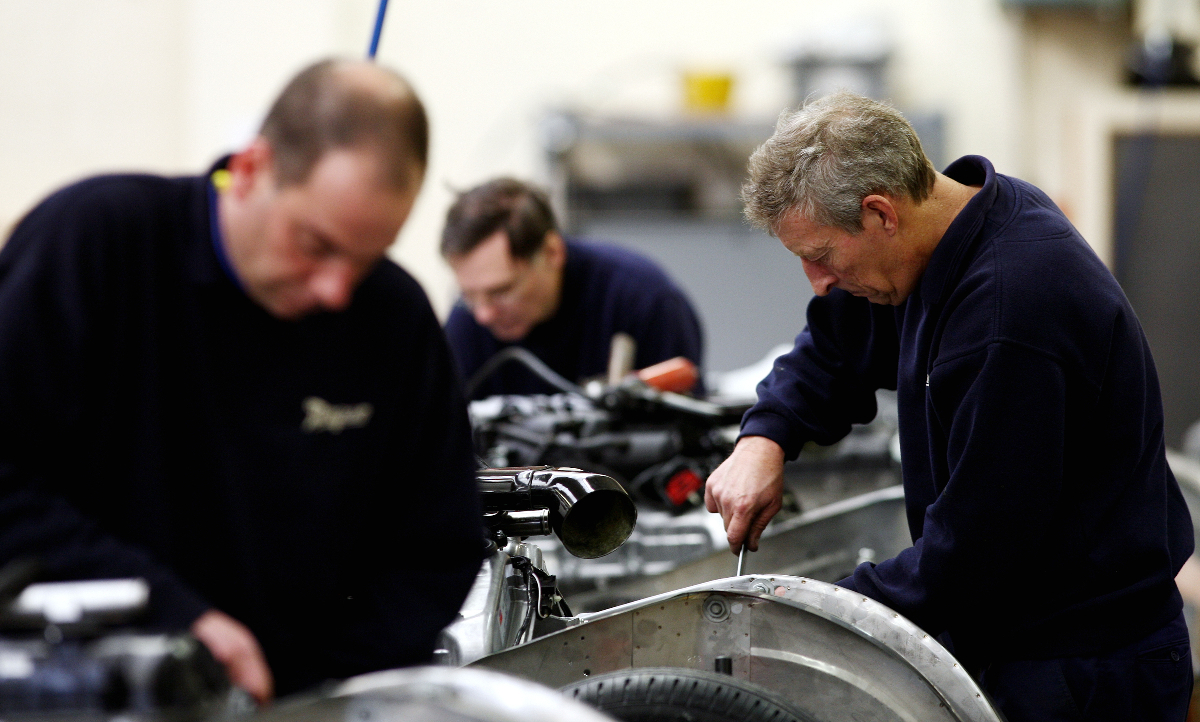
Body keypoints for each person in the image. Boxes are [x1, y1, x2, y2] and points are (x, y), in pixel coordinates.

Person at [0, 59, 483, 702]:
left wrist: (313, 694)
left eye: (366, 260)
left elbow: (438, 542)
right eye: (315, 244)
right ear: (252, 168)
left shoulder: (392, 319)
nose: (336, 290)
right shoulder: (96, 245)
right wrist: (172, 616)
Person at [704, 91, 1194, 720]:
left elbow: (972, 558)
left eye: (820, 256)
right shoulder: (945, 231)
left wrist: (801, 613)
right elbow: (835, 349)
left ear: (880, 213)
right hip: (1023, 641)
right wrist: (763, 439)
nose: (818, 281)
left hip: (1082, 671)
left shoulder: (1009, 312)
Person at [440, 178, 705, 399]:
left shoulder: (643, 301)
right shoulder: (465, 324)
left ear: (552, 252)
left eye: (502, 291)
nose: (484, 315)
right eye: (469, 295)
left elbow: (686, 435)